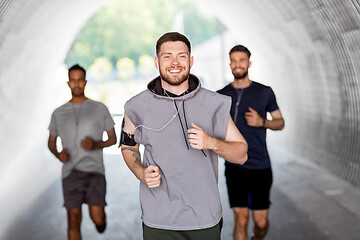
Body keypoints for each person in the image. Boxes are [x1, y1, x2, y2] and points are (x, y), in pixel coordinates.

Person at [120, 32, 248, 240]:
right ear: (156, 61)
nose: (175, 62)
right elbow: (128, 146)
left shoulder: (214, 103)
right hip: (158, 220)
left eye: (181, 56)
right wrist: (140, 172)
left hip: (204, 219)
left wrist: (212, 142)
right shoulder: (136, 106)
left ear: (191, 60)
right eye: (167, 56)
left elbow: (242, 154)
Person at [217, 45, 285, 240]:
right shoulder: (220, 96)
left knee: (261, 223)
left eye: (242, 60)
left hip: (260, 165)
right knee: (241, 218)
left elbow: (280, 122)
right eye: (234, 60)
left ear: (249, 63)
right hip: (234, 165)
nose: (238, 64)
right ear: (229, 64)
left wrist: (263, 122)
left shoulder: (264, 92)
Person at [47, 64, 117, 240]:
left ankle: (100, 221)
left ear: (85, 82)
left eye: (80, 80)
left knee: (97, 217)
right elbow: (51, 142)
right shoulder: (58, 113)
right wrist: (58, 154)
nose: (76, 84)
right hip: (70, 173)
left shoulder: (99, 108)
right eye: (73, 80)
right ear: (68, 83)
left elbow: (113, 138)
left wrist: (96, 145)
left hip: (94, 171)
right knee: (73, 219)